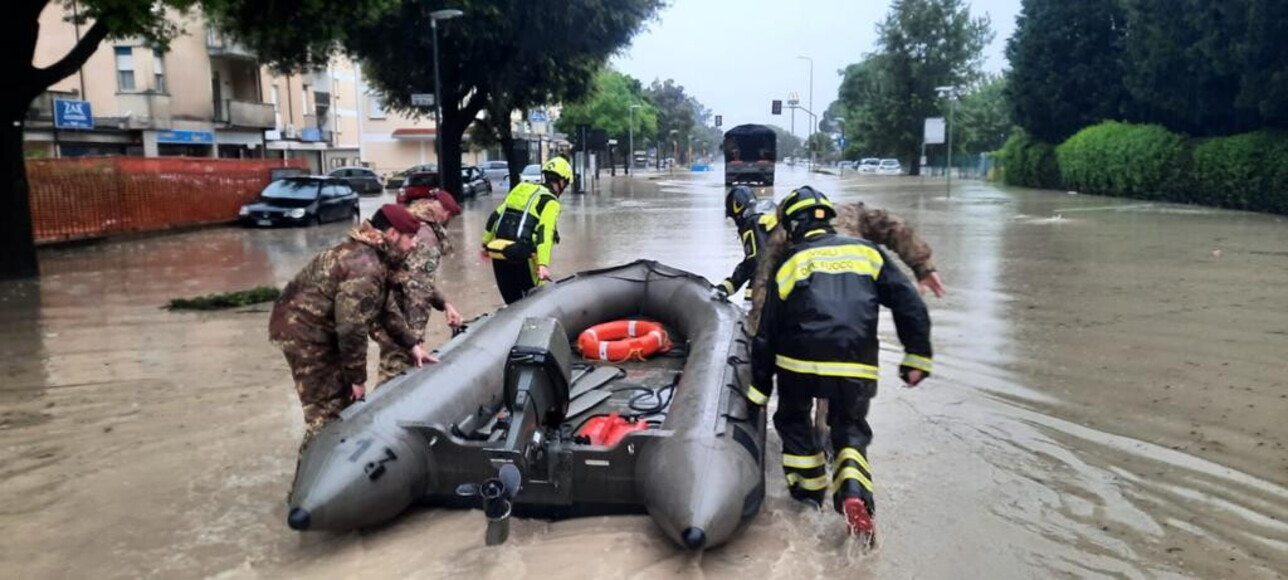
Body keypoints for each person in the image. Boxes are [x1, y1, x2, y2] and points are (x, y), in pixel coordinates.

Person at [748, 186, 933, 546]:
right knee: (849, 429)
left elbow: (765, 324)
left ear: (792, 223)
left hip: (799, 363)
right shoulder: (869, 251)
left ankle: (808, 500)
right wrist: (917, 357)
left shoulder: (788, 256)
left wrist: (758, 388)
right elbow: (910, 304)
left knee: (791, 420)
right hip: (855, 363)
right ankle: (851, 490)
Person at [269, 204, 434, 448]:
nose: (413, 245)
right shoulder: (365, 266)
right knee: (328, 412)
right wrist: (357, 380)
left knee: (343, 401)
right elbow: (351, 327)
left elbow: (385, 309)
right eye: (409, 238)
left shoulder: (374, 256)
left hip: (318, 326)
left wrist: (411, 345)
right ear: (391, 234)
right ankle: (316, 473)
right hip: (305, 334)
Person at [374, 196, 464, 386]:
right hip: (398, 317)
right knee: (396, 371)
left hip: (387, 310)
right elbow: (418, 289)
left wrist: (444, 303)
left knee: (391, 365)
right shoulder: (428, 237)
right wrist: (416, 339)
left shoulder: (413, 225)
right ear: (446, 214)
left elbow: (414, 277)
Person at [479, 157, 574, 304]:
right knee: (532, 303)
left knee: (512, 304)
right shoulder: (550, 201)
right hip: (522, 256)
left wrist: (485, 245)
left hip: (499, 253)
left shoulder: (521, 189)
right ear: (562, 181)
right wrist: (543, 264)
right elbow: (545, 233)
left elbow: (494, 217)